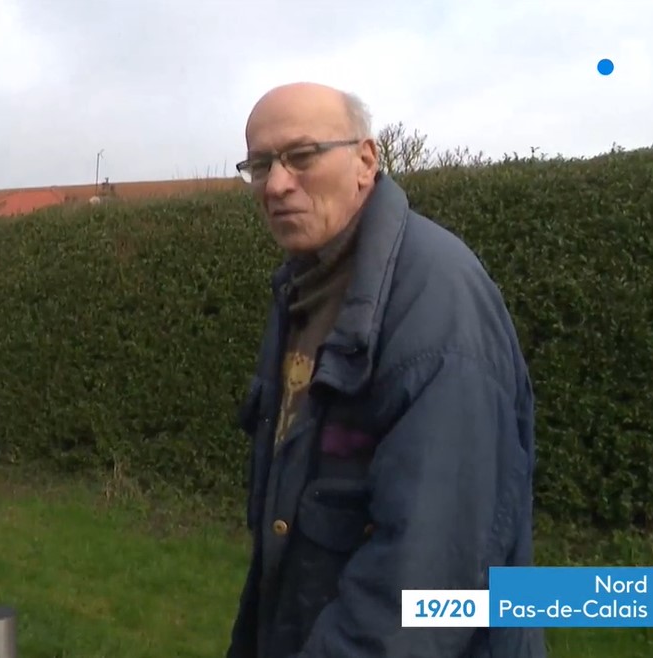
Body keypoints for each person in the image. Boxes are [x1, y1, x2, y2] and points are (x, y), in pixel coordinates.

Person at [226, 82, 546, 658]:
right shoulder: (305, 285)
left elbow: (427, 583)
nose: (275, 184)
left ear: (365, 161)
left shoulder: (437, 307)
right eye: (260, 164)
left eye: (301, 156)